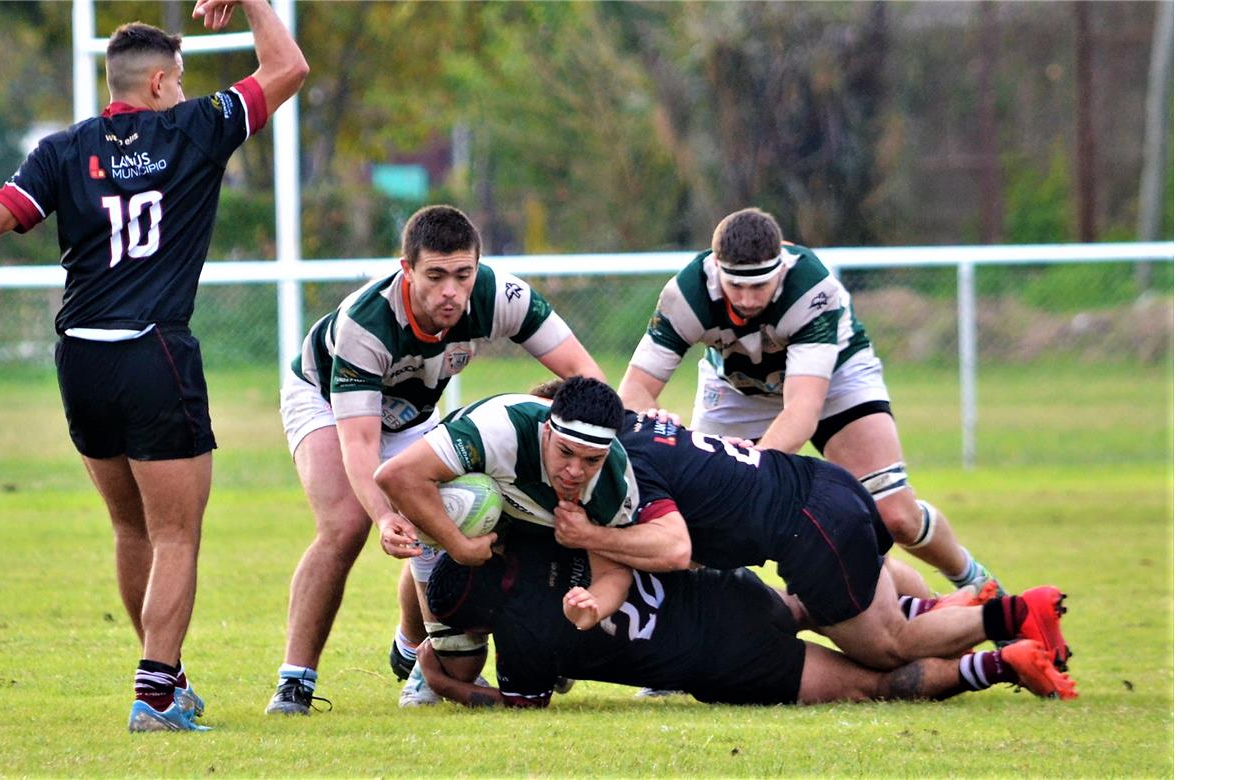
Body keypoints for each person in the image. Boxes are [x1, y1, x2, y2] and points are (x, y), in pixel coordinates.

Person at [0, 0, 309, 732]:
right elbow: (289, 68)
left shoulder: (63, 150)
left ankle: (167, 679)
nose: (181, 91)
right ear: (156, 85)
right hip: (153, 352)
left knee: (130, 529)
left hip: (79, 356)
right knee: (176, 533)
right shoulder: (195, 127)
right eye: (176, 81)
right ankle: (153, 695)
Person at [269, 206, 604, 715]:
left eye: (462, 275)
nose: (451, 290)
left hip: (412, 412)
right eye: (435, 276)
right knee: (345, 525)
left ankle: (414, 650)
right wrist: (384, 517)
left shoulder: (499, 297)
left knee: (438, 510)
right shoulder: (369, 324)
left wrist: (610, 440)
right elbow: (360, 446)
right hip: (324, 398)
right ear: (407, 269)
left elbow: (582, 373)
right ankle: (295, 681)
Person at [618, 208, 1000, 595]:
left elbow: (802, 410)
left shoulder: (812, 288)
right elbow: (633, 391)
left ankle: (976, 584)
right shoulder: (686, 293)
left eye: (760, 285)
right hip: (736, 388)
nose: (748, 299)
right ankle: (930, 619)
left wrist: (745, 477)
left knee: (896, 516)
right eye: (736, 286)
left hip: (832, 379)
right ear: (716, 269)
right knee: (700, 526)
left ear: (781, 269)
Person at [554, 406, 1071, 673]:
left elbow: (675, 550)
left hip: (812, 531)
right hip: (825, 482)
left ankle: (1019, 614)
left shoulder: (627, 471)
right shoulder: (638, 427)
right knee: (884, 584)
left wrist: (588, 534)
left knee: (888, 646)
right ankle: (954, 607)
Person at [417, 538, 1076, 709]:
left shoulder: (523, 643)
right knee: (831, 609)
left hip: (725, 666)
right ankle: (976, 612)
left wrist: (446, 685)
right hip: (732, 593)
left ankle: (1002, 660)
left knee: (871, 683)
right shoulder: (542, 537)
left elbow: (526, 704)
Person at [371, 376, 635, 706]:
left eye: (591, 460)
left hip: (545, 539)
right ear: (547, 432)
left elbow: (614, 570)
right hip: (470, 523)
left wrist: (592, 606)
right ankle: (418, 650)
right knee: (460, 669)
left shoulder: (616, 483)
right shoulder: (500, 430)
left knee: (541, 622)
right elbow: (395, 477)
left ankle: (547, 643)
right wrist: (458, 545)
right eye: (565, 453)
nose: (574, 472)